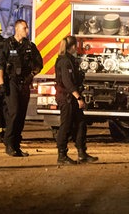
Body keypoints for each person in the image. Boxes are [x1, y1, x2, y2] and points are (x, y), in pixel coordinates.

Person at [0, 19, 43, 157]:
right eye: (24, 28)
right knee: (14, 112)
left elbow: (39, 64)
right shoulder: (6, 45)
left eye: (27, 28)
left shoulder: (29, 46)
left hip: (25, 83)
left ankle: (16, 145)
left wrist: (32, 75)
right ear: (17, 29)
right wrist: (1, 84)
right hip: (11, 82)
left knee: (21, 115)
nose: (26, 30)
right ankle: (9, 143)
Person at [54, 36, 98, 165]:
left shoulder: (70, 60)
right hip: (67, 98)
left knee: (80, 124)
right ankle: (61, 155)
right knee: (66, 126)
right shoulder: (64, 61)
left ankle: (82, 153)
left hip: (71, 97)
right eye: (76, 45)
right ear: (72, 46)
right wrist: (78, 97)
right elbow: (67, 82)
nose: (77, 48)